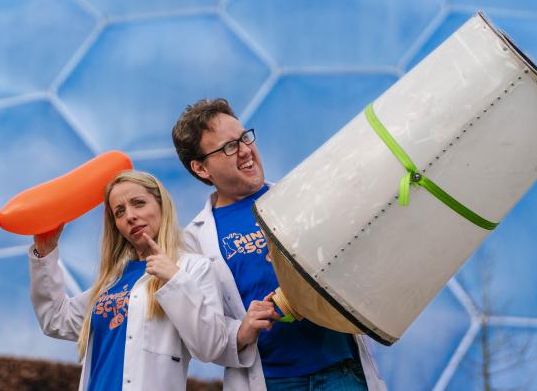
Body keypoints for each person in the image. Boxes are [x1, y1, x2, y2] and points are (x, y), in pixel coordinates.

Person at [172, 98, 387, 391]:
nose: (246, 150)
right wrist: (243, 328)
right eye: (229, 147)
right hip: (274, 381)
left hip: (341, 371)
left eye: (244, 138)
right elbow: (206, 338)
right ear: (201, 168)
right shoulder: (194, 240)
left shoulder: (300, 198)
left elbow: (356, 269)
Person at [28, 170, 227, 390]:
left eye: (138, 203)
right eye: (119, 212)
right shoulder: (112, 281)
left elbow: (211, 346)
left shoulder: (193, 268)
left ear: (162, 206)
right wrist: (44, 253)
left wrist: (174, 280)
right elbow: (56, 319)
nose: (129, 216)